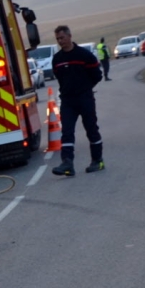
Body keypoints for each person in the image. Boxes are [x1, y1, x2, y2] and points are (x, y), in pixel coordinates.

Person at [50, 25, 104, 177]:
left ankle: (97, 160)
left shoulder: (84, 55)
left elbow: (97, 75)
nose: (60, 41)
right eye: (58, 39)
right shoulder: (57, 59)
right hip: (67, 101)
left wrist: (85, 88)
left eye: (62, 37)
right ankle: (67, 163)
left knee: (91, 129)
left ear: (70, 36)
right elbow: (59, 77)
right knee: (67, 132)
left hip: (85, 98)